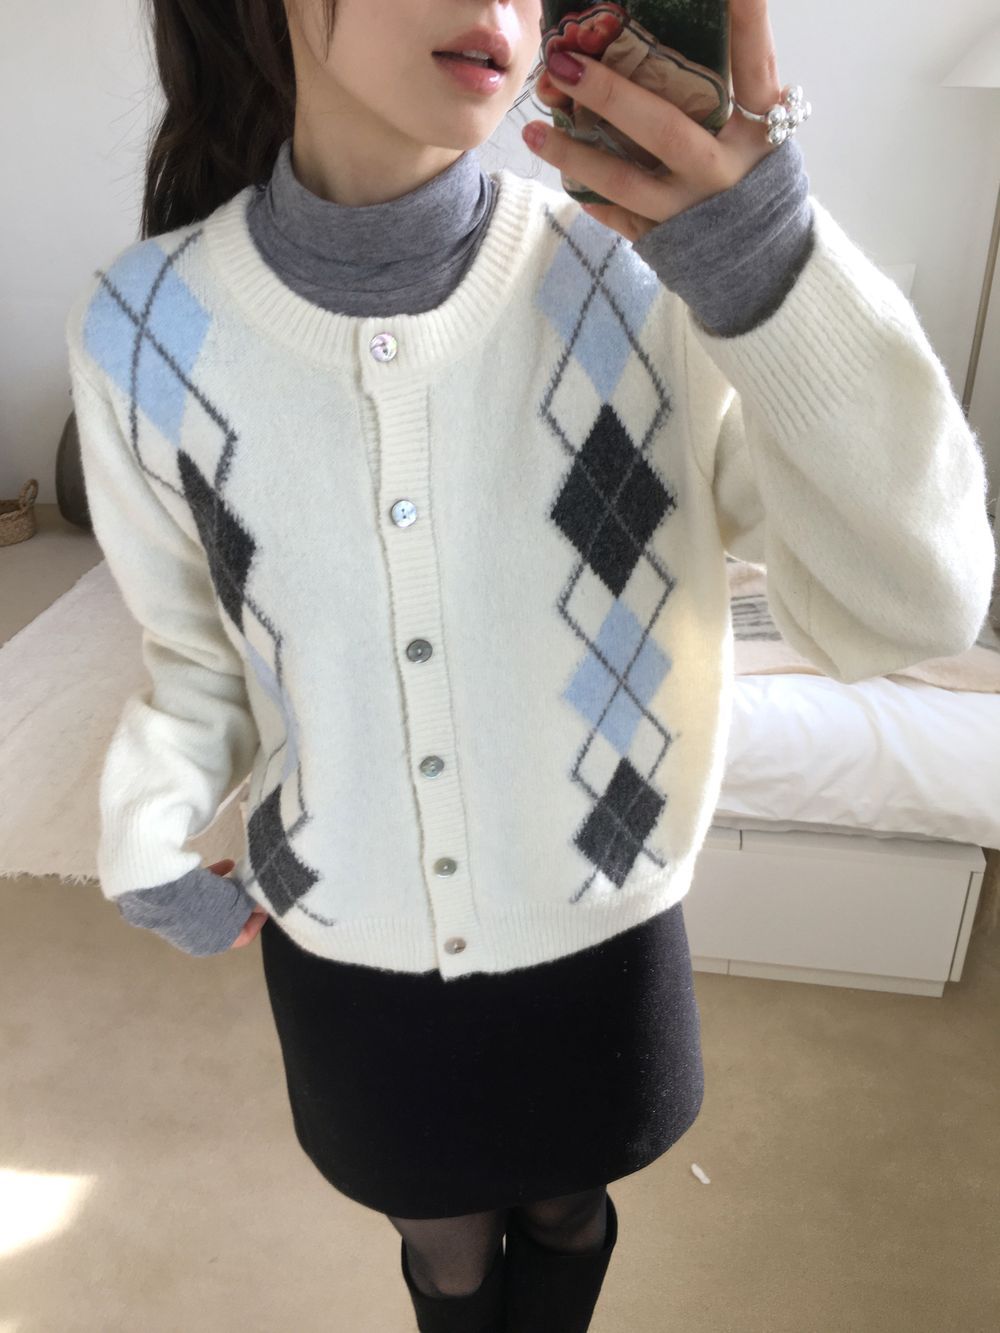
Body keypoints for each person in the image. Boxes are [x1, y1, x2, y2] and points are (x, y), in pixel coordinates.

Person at [62, 2, 995, 1331]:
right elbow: (198, 652)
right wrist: (149, 835)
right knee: (439, 1245)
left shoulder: (645, 278)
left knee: (571, 1207)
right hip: (349, 947)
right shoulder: (141, 330)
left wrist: (769, 262)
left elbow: (911, 606)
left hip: (601, 928)